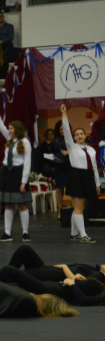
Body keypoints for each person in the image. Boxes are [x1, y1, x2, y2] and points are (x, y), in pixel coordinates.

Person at [0, 96, 32, 242]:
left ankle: (25, 232)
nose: (9, 130)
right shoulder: (9, 138)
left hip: (18, 174)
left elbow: (27, 163)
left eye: (12, 128)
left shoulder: (25, 142)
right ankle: (7, 233)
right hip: (7, 173)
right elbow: (0, 125)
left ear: (17, 130)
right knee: (8, 203)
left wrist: (23, 182)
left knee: (21, 204)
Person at [60, 104, 100, 243]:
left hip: (88, 178)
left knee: (80, 207)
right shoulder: (72, 147)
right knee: (78, 208)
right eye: (76, 134)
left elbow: (94, 167)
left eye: (81, 134)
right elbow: (66, 131)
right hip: (77, 176)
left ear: (85, 135)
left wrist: (97, 183)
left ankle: (73, 233)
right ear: (74, 137)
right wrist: (64, 114)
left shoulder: (91, 150)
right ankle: (83, 236)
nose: (79, 136)